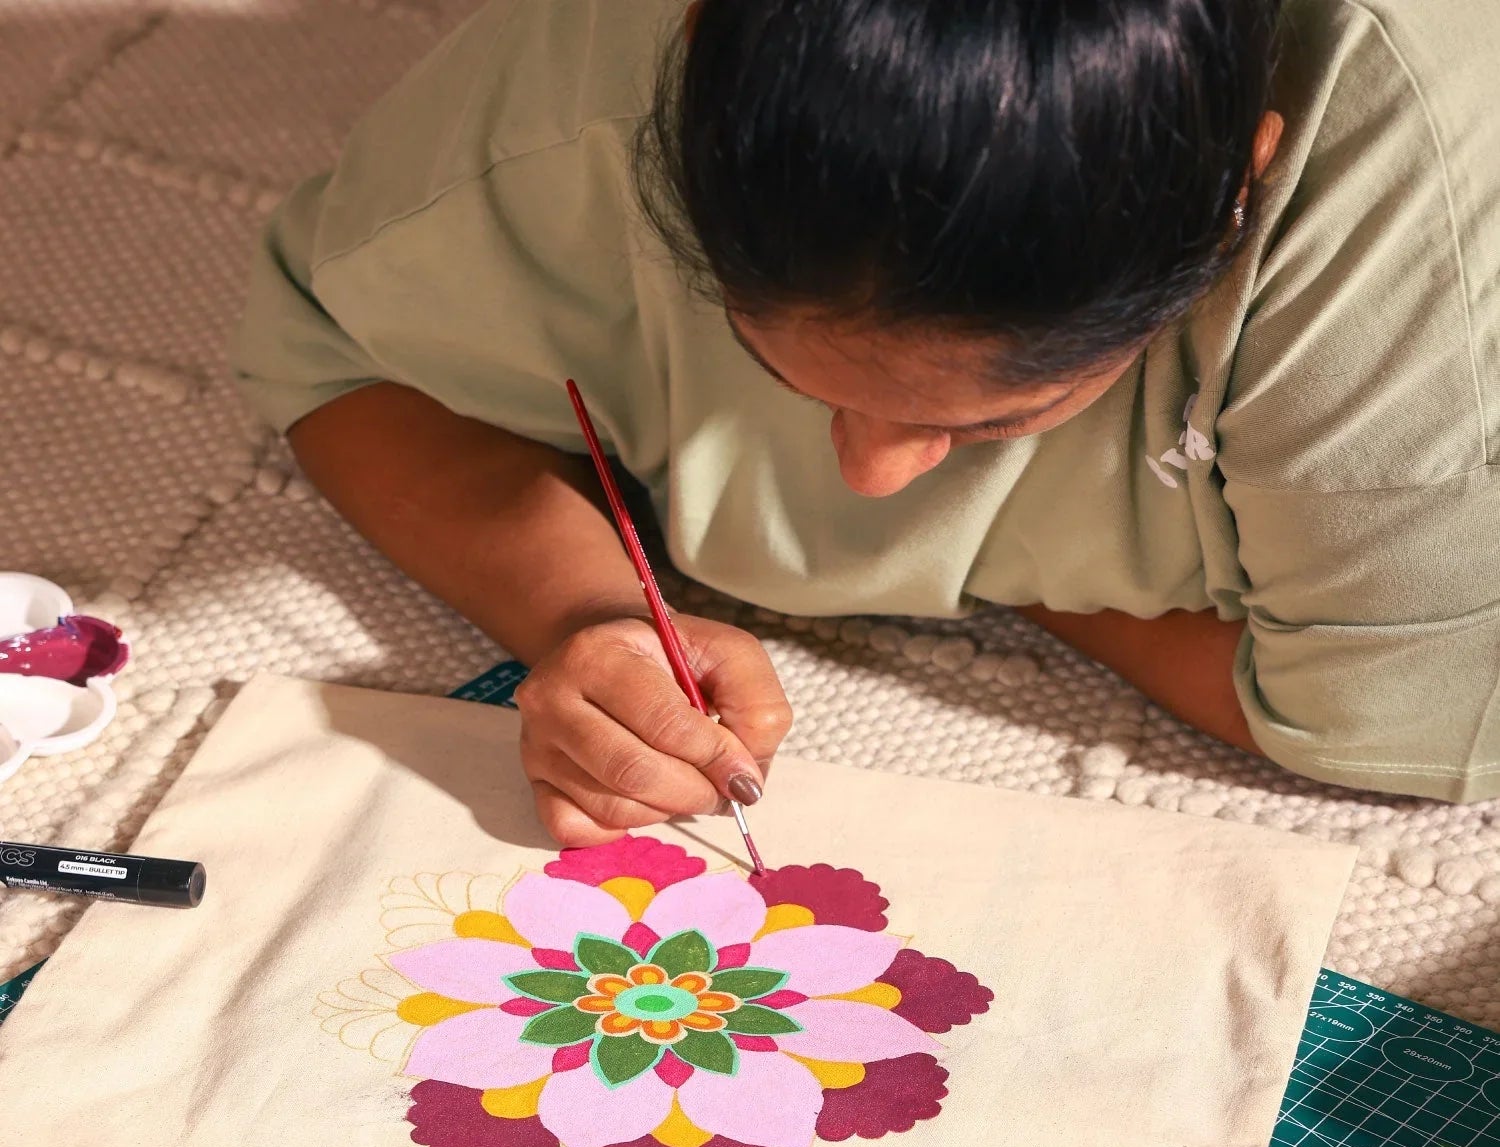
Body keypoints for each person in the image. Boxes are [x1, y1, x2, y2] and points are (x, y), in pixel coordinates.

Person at [234, 0, 1500, 839]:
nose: (874, 482)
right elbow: (335, 355)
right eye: (775, 363)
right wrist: (584, 607)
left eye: (1009, 413)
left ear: (1238, 197)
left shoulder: (1409, 189)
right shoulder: (593, 76)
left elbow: (1384, 716)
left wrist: (968, 574)